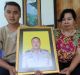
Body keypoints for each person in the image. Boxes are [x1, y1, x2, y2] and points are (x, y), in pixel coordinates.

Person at [35, 9, 80, 75]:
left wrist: (70, 69)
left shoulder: (78, 35)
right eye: (63, 19)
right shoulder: (54, 32)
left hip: (73, 63)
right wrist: (43, 30)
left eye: (69, 19)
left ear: (74, 21)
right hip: (55, 63)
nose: (66, 22)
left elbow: (79, 54)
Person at [0, 1, 21, 75]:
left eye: (15, 12)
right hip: (6, 63)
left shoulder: (27, 30)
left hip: (24, 63)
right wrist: (9, 67)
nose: (12, 15)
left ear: (20, 15)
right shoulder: (1, 31)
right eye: (8, 12)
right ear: (4, 14)